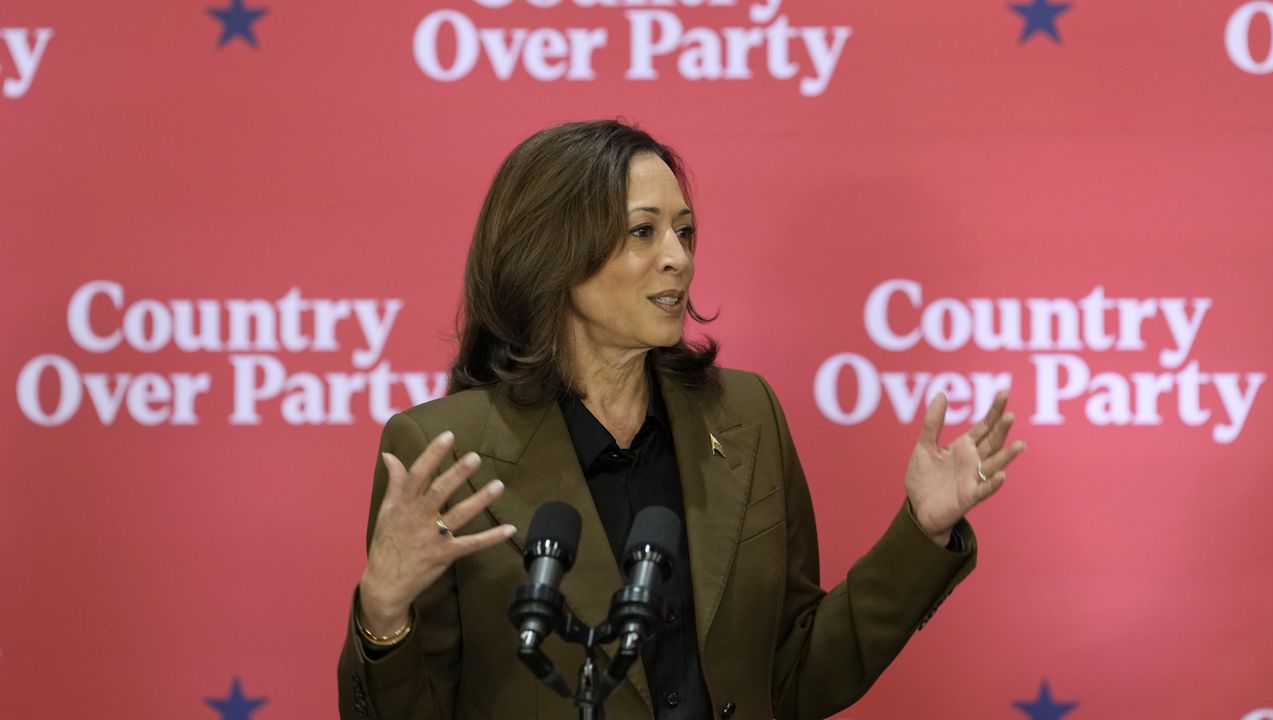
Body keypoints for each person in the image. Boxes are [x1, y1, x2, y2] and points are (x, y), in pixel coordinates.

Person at [337, 120, 1025, 720]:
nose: (679, 257)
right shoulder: (444, 449)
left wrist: (923, 531)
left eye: (685, 231)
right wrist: (384, 612)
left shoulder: (747, 416)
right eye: (644, 232)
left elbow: (795, 677)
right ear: (552, 252)